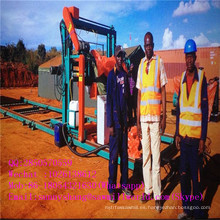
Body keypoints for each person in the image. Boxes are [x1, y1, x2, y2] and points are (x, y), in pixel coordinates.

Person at [175, 39, 208, 219]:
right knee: (183, 176)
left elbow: (204, 110)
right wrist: (177, 134)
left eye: (191, 57)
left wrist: (203, 138)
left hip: (195, 140)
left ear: (195, 57)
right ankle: (187, 210)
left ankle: (198, 213)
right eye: (186, 57)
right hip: (184, 138)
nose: (188, 60)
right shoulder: (181, 78)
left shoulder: (201, 78)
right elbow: (180, 109)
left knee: (196, 179)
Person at [136, 32, 167, 213]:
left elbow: (163, 90)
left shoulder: (159, 62)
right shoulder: (140, 64)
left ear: (153, 45)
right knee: (145, 157)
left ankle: (157, 195)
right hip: (144, 119)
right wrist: (138, 122)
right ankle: (148, 190)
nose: (147, 48)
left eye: (150, 45)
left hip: (155, 119)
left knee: (156, 158)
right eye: (145, 45)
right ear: (144, 45)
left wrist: (163, 118)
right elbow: (139, 93)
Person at [106, 45, 132, 203]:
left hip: (123, 123)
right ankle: (111, 189)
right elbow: (109, 100)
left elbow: (128, 98)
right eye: (118, 56)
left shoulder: (125, 74)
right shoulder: (111, 76)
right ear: (114, 58)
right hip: (114, 125)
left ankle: (124, 185)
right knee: (113, 158)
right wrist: (109, 124)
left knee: (125, 156)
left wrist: (128, 118)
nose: (120, 58)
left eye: (122, 55)